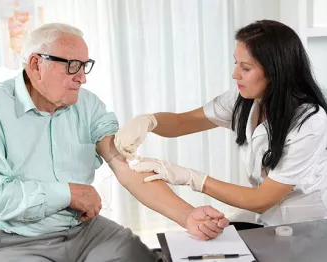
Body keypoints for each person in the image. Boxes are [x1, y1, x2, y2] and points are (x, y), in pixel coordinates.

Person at [0, 23, 229, 262]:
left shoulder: (87, 105)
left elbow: (126, 167)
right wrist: (67, 194)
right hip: (14, 241)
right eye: (72, 66)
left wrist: (187, 216)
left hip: (85, 232)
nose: (82, 78)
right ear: (36, 64)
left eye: (85, 66)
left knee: (138, 256)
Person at [115, 20, 327, 227]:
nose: (235, 74)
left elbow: (262, 200)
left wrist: (191, 178)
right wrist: (148, 121)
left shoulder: (309, 122)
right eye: (236, 63)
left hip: (307, 225)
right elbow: (181, 123)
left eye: (245, 67)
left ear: (275, 72)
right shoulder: (244, 99)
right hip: (268, 218)